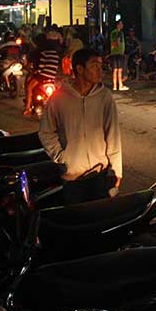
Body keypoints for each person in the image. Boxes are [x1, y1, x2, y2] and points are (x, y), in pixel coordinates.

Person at [38, 48, 122, 205]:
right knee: (77, 220)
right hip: (72, 176)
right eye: (94, 65)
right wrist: (62, 157)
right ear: (79, 69)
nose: (100, 70)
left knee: (100, 218)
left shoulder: (104, 97)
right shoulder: (59, 99)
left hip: (99, 173)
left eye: (100, 65)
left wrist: (117, 170)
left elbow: (113, 134)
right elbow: (46, 132)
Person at [24, 33, 61, 117]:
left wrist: (37, 72)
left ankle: (27, 108)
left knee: (29, 87)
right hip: (52, 77)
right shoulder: (55, 53)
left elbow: (41, 67)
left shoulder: (43, 53)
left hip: (43, 76)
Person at [109, 20, 128, 91]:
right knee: (119, 69)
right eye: (121, 24)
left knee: (115, 69)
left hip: (113, 52)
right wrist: (120, 48)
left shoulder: (112, 33)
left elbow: (113, 42)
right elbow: (118, 41)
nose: (122, 25)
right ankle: (120, 85)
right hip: (119, 52)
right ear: (117, 25)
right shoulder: (119, 33)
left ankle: (114, 86)